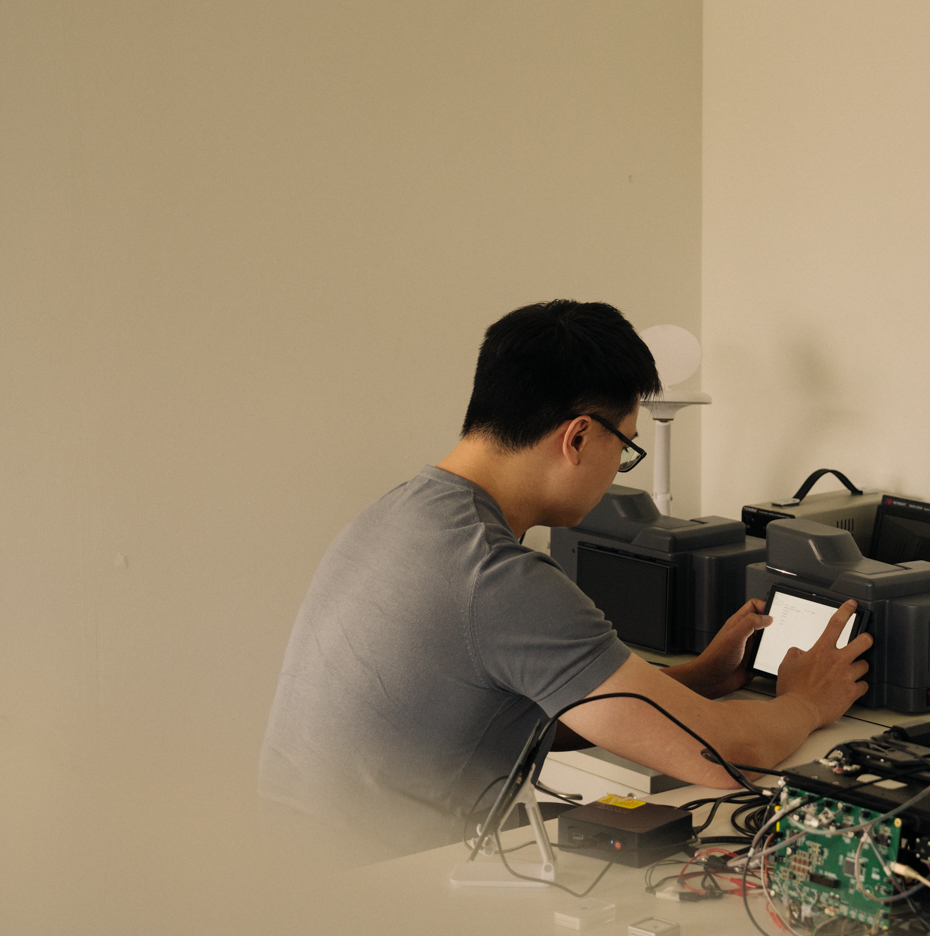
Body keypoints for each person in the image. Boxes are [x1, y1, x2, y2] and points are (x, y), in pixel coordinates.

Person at [258, 300, 871, 862]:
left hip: (295, 878)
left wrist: (697, 679)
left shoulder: (398, 514)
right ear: (578, 437)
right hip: (385, 899)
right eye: (626, 448)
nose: (620, 468)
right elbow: (725, 757)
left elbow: (540, 709)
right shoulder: (498, 577)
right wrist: (808, 702)